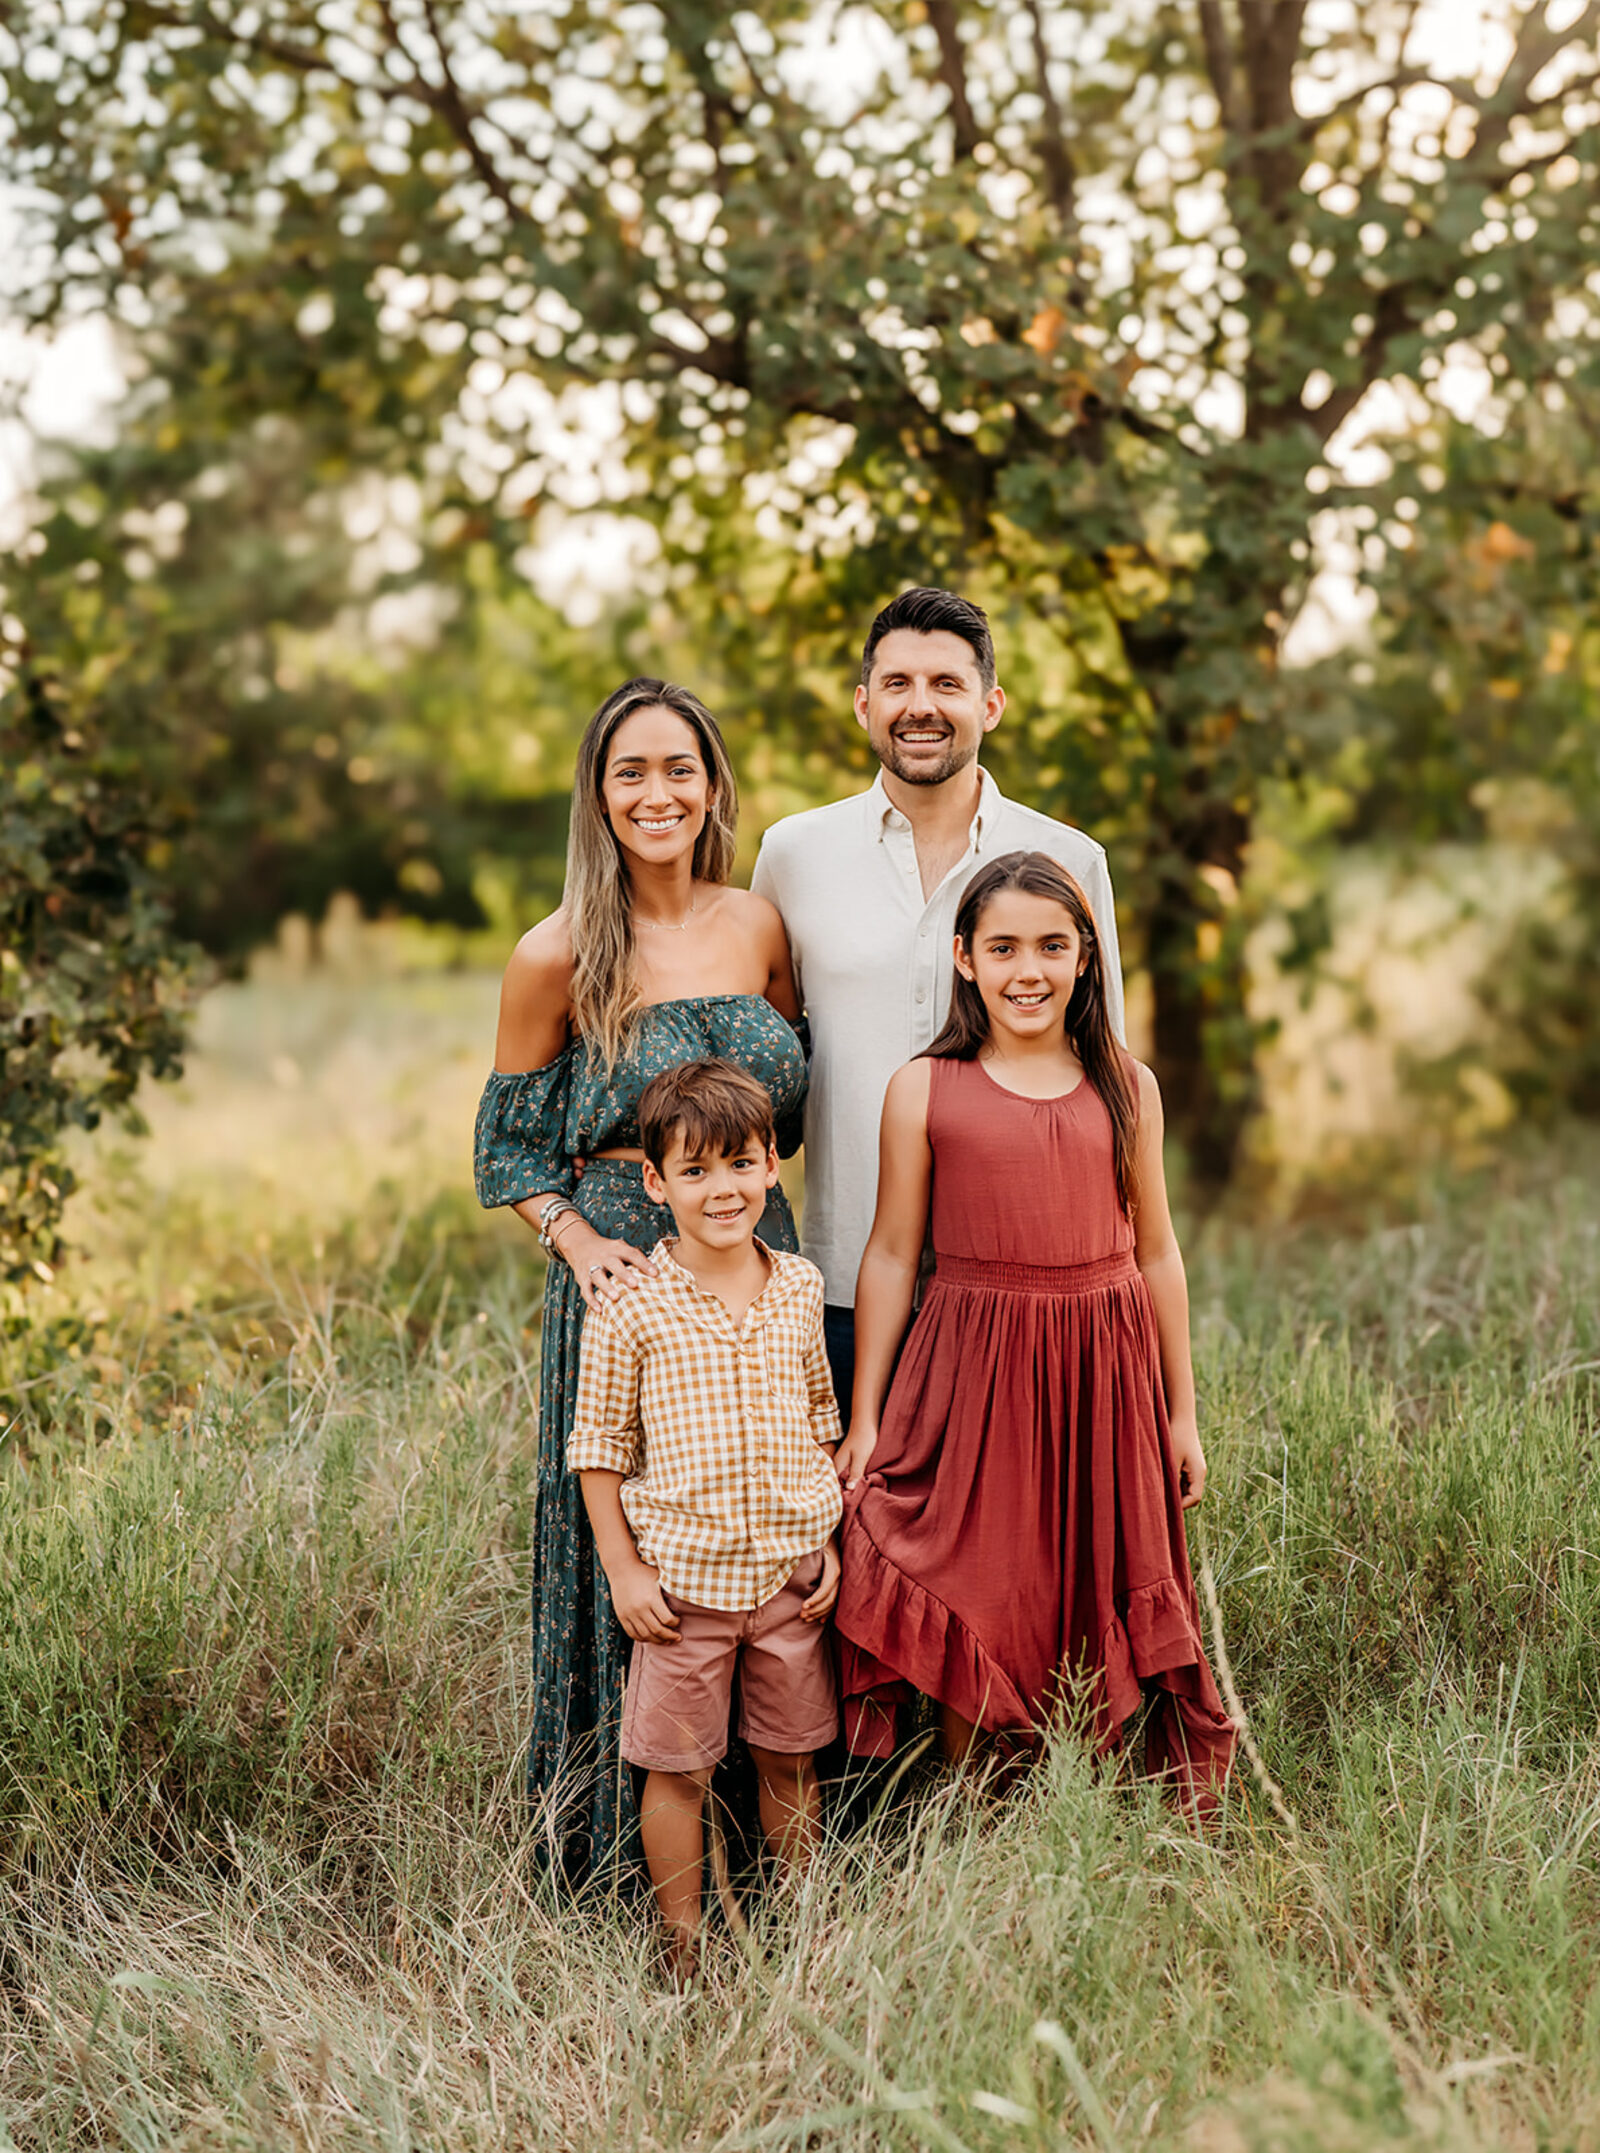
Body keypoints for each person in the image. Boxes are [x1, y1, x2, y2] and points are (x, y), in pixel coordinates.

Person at [473, 678, 807, 1885]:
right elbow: (506, 1148)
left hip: (755, 1259)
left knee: (758, 1521)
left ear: (712, 785)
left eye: (679, 768)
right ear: (598, 793)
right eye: (630, 771)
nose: (656, 792)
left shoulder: (759, 923)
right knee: (643, 1555)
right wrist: (575, 1239)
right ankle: (626, 1865)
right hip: (623, 1272)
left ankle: (770, 1861)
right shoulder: (556, 950)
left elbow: (787, 1106)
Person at [833, 851, 1235, 1812]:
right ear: (964, 958)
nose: (1029, 970)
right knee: (979, 1583)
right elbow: (890, 1255)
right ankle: (975, 1815)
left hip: (1103, 1372)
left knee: (1085, 1591)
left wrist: (1181, 1413)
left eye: (1053, 946)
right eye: (1004, 947)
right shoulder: (925, 1087)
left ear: (1086, 957)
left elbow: (1158, 1252)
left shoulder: (1126, 1084)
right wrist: (867, 1416)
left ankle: (1077, 1815)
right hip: (972, 1374)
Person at [752, 586, 1124, 1421]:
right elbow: (763, 1062)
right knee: (856, 1502)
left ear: (991, 704)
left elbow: (1106, 1087)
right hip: (845, 1282)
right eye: (898, 683)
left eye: (947, 684)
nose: (920, 706)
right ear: (864, 704)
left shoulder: (1069, 860)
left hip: (1021, 1290)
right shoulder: (794, 854)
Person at [570, 1059, 842, 1980]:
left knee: (791, 1760)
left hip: (789, 1580)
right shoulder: (631, 1302)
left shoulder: (798, 1284)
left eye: (740, 1163)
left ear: (771, 1165)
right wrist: (624, 1570)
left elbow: (818, 1417)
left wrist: (825, 1540)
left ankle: (804, 1932)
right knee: (677, 1771)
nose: (722, 1189)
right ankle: (681, 1946)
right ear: (656, 1183)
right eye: (695, 1170)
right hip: (683, 1590)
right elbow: (599, 1446)